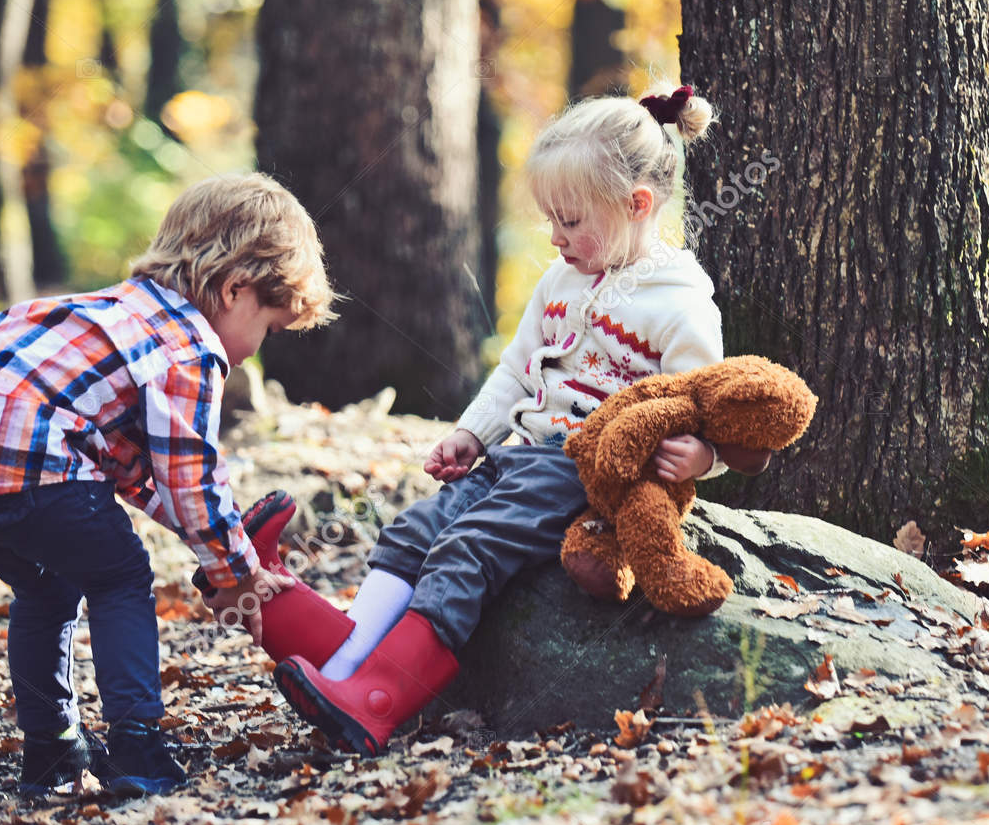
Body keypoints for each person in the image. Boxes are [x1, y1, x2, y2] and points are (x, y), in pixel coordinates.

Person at [274, 84, 772, 756]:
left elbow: (702, 411)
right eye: (550, 221)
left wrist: (701, 460)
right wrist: (472, 433)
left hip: (579, 471)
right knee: (415, 528)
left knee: (470, 545)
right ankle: (344, 661)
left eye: (570, 221)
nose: (556, 237)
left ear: (637, 206)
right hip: (517, 454)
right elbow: (515, 369)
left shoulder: (681, 308)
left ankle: (378, 699)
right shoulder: (559, 281)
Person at [0, 172, 335, 796]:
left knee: (48, 589)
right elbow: (191, 475)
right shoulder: (187, 347)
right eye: (267, 327)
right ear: (233, 288)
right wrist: (236, 572)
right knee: (122, 576)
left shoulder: (107, 316)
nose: (253, 351)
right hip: (27, 461)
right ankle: (138, 749)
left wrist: (222, 545)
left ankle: (52, 750)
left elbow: (140, 473)